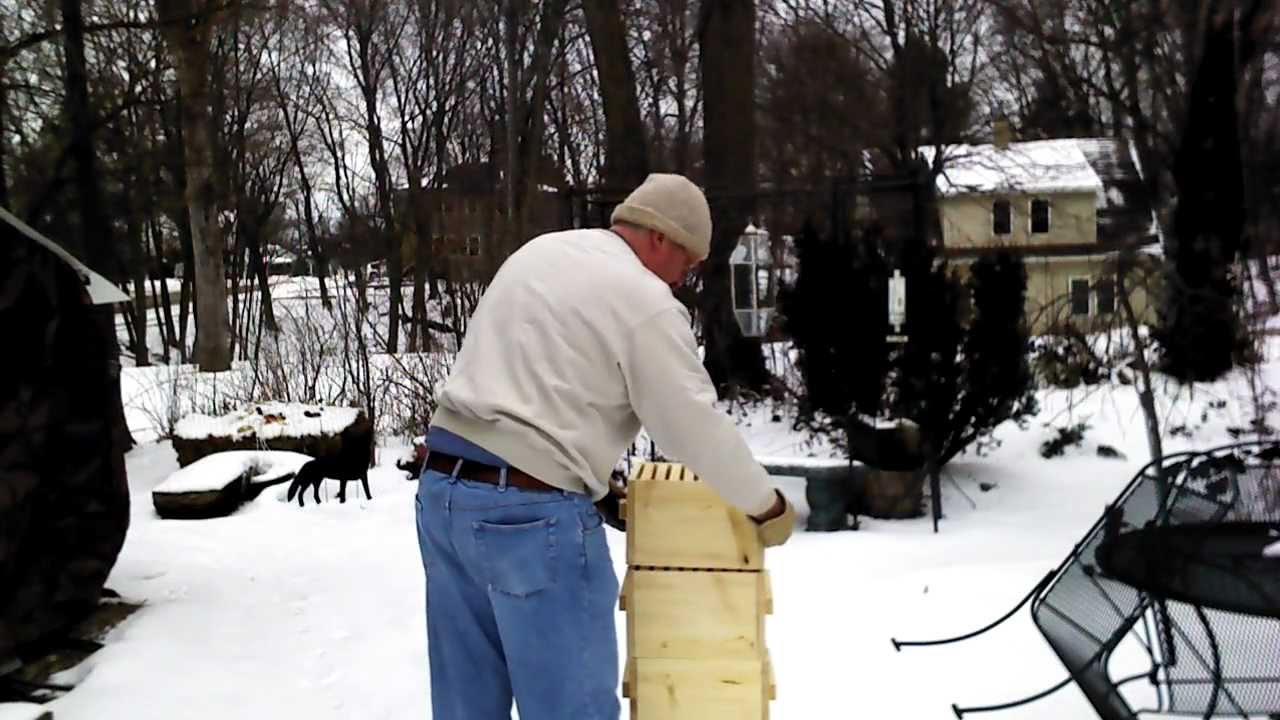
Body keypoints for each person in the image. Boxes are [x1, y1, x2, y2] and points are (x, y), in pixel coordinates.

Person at [414, 173, 795, 720]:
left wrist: (588, 481)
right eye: (686, 261)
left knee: (465, 708)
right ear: (661, 237)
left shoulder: (542, 254)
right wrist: (765, 504)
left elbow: (530, 385)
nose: (682, 278)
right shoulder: (644, 300)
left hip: (443, 499)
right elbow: (691, 426)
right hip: (528, 518)